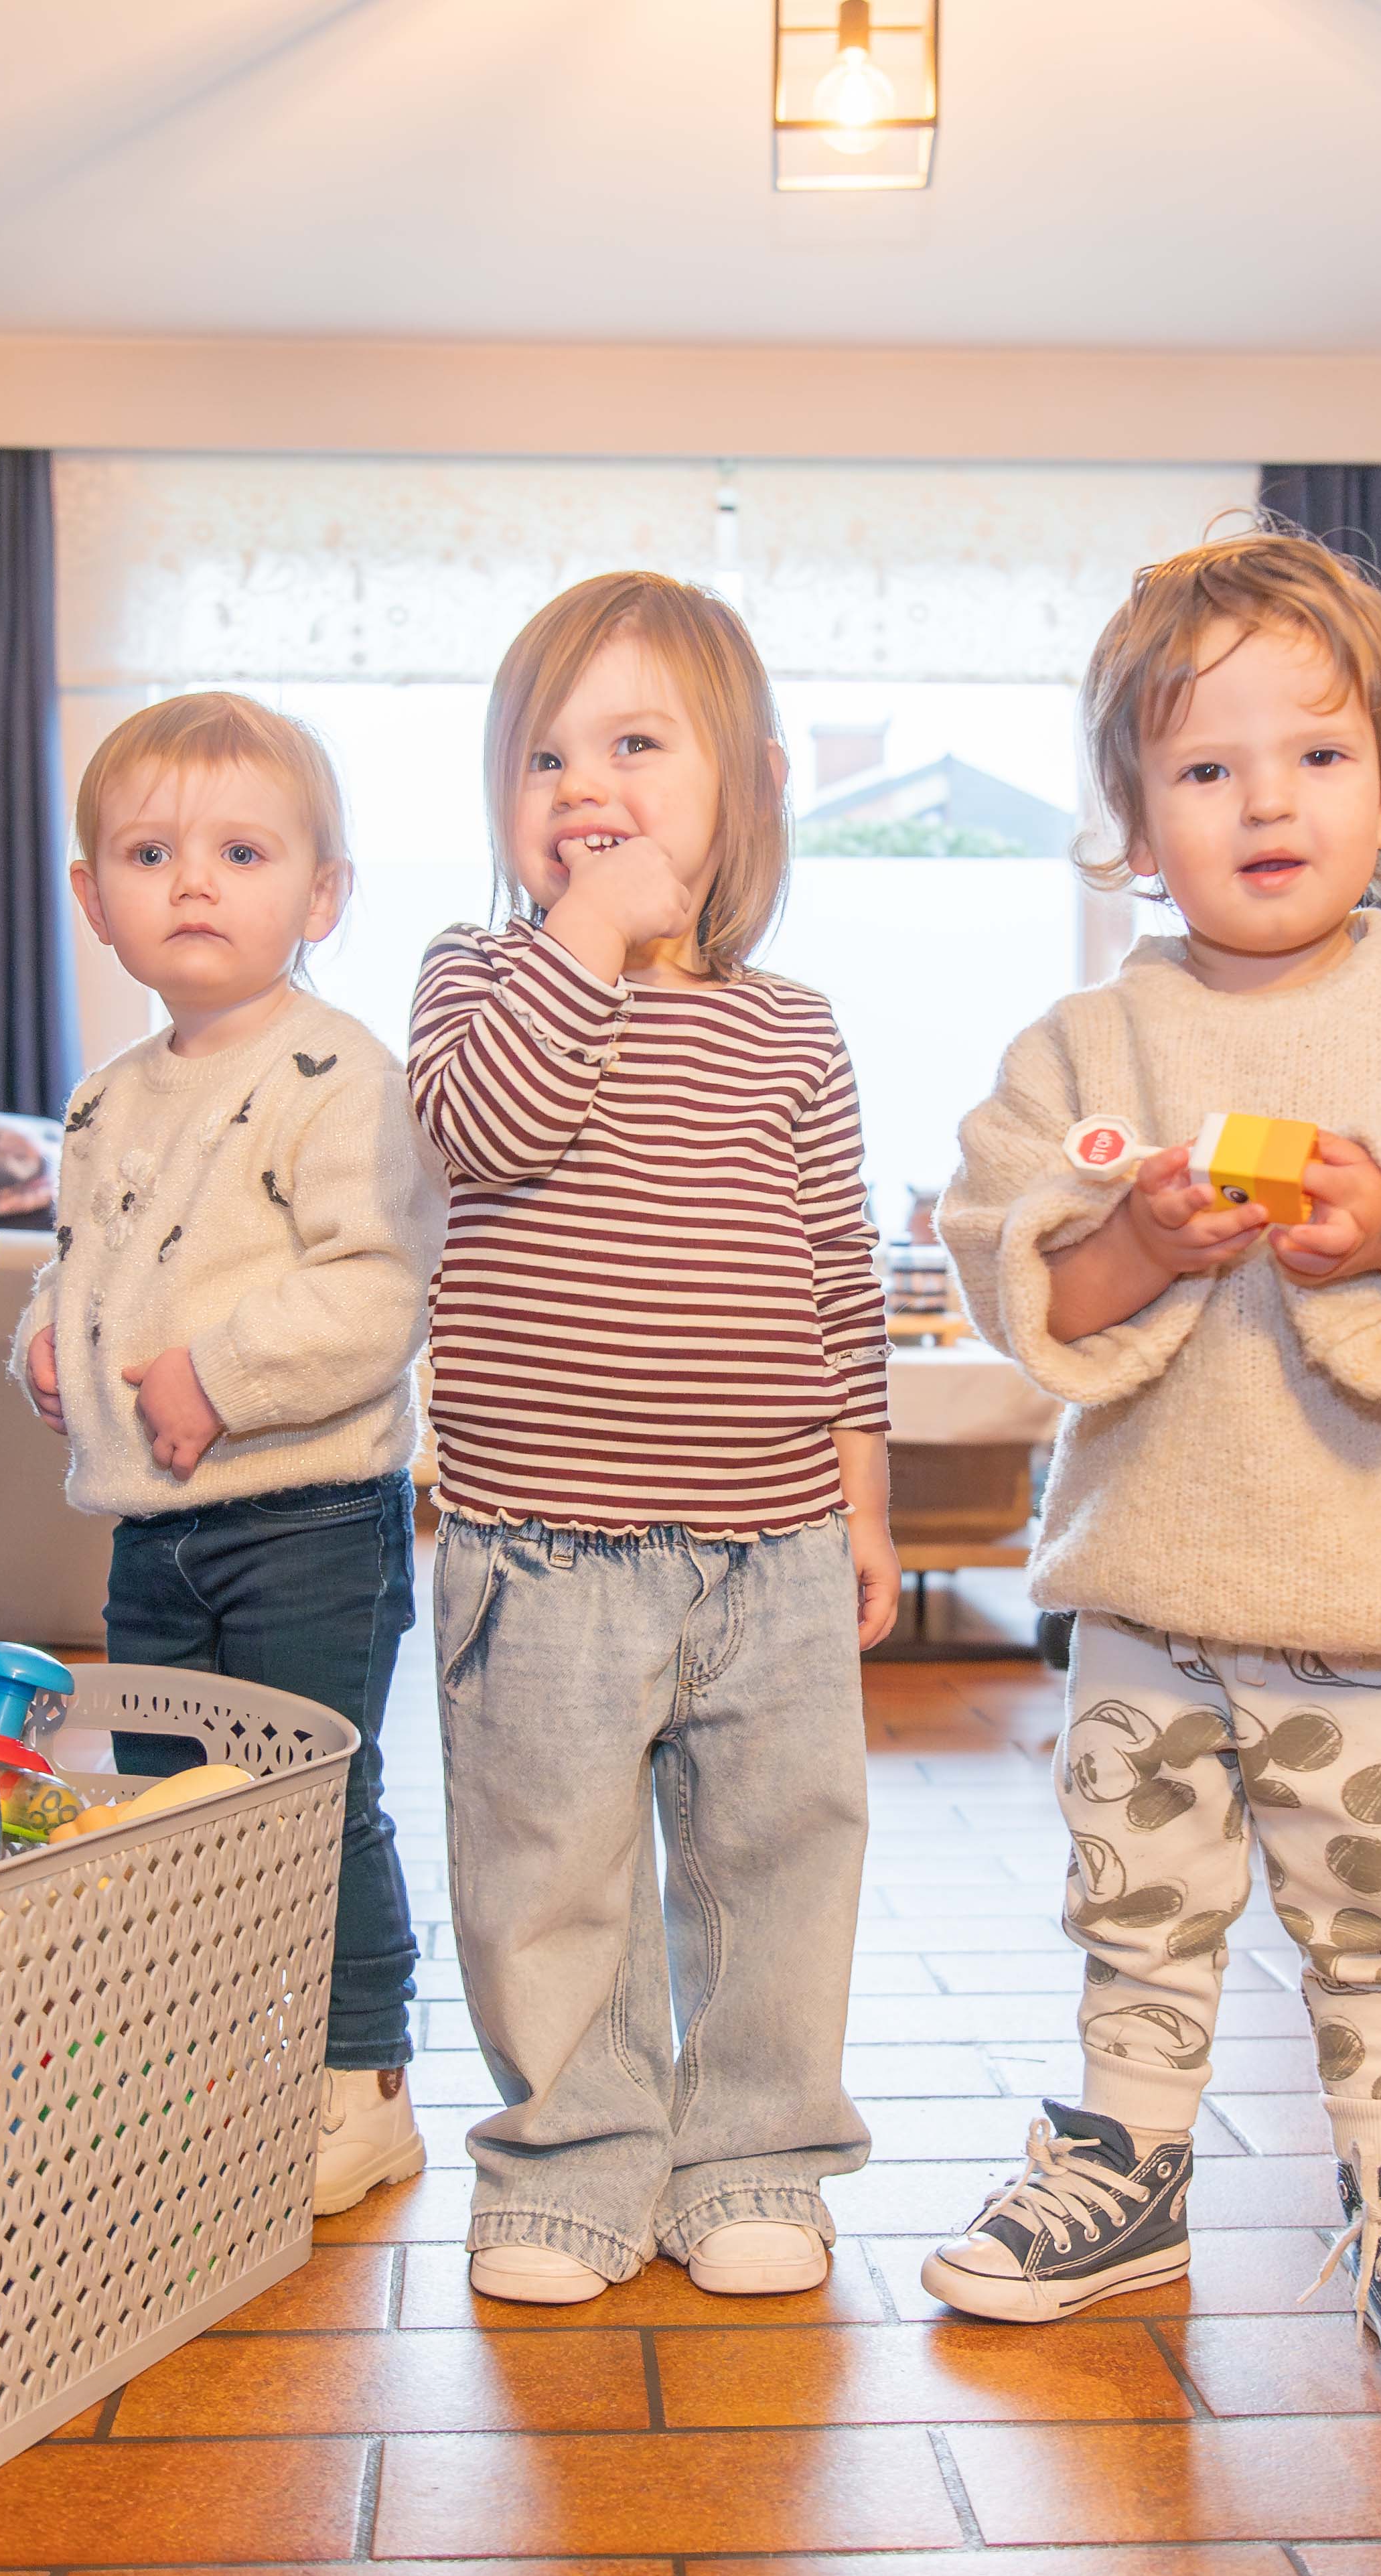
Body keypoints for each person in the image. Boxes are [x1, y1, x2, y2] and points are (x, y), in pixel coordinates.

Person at [924, 527, 1381, 2396]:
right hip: (1156, 1586)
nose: (1267, 802)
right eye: (1206, 766)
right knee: (1139, 1905)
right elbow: (1014, 1265)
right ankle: (1127, 2159)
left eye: (1318, 757)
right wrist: (1141, 1242)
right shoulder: (1088, 1038)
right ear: (1132, 818)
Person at [407, 570, 902, 2306]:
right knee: (551, 1871)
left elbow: (840, 1277)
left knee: (779, 1860)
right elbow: (489, 1130)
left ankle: (758, 2151)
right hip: (538, 1547)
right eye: (545, 758)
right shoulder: (479, 980)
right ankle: (572, 2153)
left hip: (769, 1543)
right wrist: (586, 940)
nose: (585, 786)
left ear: (745, 788)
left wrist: (866, 1507)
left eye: (634, 742)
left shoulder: (795, 1027)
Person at [12, 692, 445, 2218]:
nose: (194, 882)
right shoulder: (108, 1095)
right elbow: (89, 1269)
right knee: (167, 1793)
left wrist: (222, 1370)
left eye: (243, 850)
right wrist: (51, 1351)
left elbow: (380, 1283)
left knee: (315, 1792)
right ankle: (218, 2057)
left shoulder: (344, 1072)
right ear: (94, 899)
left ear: (319, 894)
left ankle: (359, 2075)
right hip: (154, 1524)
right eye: (150, 851)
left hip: (312, 1513)